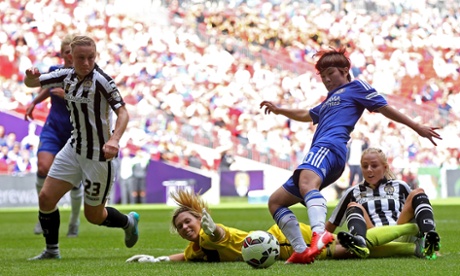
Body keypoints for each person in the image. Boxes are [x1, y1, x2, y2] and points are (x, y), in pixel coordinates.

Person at [259, 46, 442, 264]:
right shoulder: (329, 99)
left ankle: (320, 234)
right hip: (325, 153)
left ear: (346, 70)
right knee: (276, 202)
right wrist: (281, 111)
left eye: (331, 74)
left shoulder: (357, 87)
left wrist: (416, 126)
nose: (327, 79)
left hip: (330, 147)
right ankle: (302, 250)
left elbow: (384, 107)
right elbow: (308, 114)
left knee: (308, 184)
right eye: (323, 76)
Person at [24, 35, 139, 260]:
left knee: (94, 216)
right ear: (70, 57)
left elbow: (123, 112)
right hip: (74, 148)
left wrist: (114, 139)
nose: (86, 63)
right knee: (46, 198)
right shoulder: (64, 74)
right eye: (81, 58)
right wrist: (30, 77)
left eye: (90, 57)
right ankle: (51, 250)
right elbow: (32, 83)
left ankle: (128, 221)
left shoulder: (103, 80)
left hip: (98, 155)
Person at [126, 189, 425, 264]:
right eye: (180, 227)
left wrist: (211, 226)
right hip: (279, 244)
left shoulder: (209, 233)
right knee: (353, 250)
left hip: (285, 241)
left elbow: (218, 235)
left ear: (199, 218)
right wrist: (161, 259)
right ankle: (414, 247)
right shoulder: (196, 248)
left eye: (187, 221)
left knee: (349, 248)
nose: (185, 228)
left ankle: (411, 232)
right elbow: (188, 255)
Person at [326, 147, 441, 260]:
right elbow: (332, 224)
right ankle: (359, 242)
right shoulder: (352, 192)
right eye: (365, 166)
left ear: (385, 167)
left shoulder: (400, 186)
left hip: (399, 232)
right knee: (353, 206)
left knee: (418, 192)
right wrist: (318, 242)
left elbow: (415, 208)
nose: (369, 169)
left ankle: (429, 237)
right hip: (372, 237)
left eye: (374, 166)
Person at [24, 35, 83, 237]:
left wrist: (68, 96)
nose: (69, 55)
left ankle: (74, 221)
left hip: (76, 131)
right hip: (53, 128)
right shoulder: (54, 71)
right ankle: (44, 214)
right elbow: (48, 89)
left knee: (74, 181)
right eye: (66, 51)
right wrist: (35, 102)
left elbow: (92, 102)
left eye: (72, 51)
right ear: (62, 54)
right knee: (42, 167)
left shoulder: (86, 75)